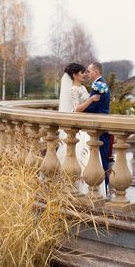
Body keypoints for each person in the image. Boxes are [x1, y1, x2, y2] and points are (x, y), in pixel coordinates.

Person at [58, 62, 106, 196]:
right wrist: (91, 99)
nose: (85, 75)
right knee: (79, 155)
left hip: (87, 126)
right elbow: (76, 109)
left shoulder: (83, 87)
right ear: (74, 75)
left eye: (86, 72)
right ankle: (78, 189)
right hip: (79, 128)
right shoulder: (73, 89)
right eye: (82, 73)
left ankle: (91, 189)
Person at [84, 62, 111, 191]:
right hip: (102, 124)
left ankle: (103, 188)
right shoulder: (102, 84)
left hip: (98, 126)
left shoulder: (98, 85)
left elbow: (93, 107)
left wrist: (78, 110)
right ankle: (103, 187)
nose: (87, 74)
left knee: (101, 158)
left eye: (88, 71)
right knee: (101, 157)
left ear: (95, 72)